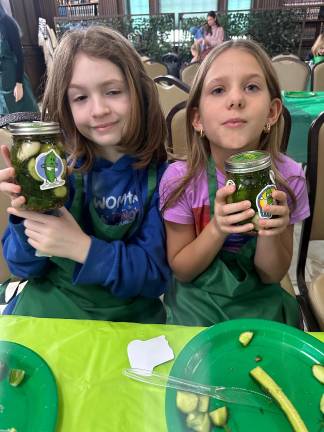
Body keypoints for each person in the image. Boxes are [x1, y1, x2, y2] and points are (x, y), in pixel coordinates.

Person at [0, 26, 171, 322]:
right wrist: (26, 213)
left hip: (127, 316)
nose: (99, 109)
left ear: (139, 93)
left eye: (113, 92)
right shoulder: (56, 171)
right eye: (80, 98)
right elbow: (23, 267)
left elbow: (154, 277)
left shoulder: (161, 177)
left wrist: (83, 248)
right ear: (65, 106)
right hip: (52, 309)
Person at [159, 39, 310, 327]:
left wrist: (270, 230)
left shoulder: (288, 178)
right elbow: (182, 269)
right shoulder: (180, 180)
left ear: (272, 112)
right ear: (197, 119)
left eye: (251, 87)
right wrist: (217, 228)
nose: (236, 99)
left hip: (260, 302)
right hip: (196, 302)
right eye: (218, 90)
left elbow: (270, 274)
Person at [0, 2, 38, 114]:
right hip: (1, 82)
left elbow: (19, 55)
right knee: (6, 118)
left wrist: (19, 83)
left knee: (24, 114)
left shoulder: (8, 23)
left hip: (13, 77)